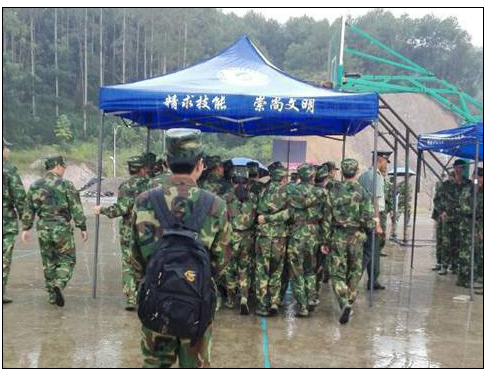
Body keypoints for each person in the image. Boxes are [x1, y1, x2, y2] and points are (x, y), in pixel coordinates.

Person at [131, 129, 231, 368]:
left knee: (155, 365)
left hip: (156, 301)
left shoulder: (144, 200)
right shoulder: (215, 205)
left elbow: (135, 257)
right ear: (200, 164)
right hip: (197, 305)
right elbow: (221, 261)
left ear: (166, 162)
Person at [21, 156, 88, 307]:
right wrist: (82, 227)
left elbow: (28, 208)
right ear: (57, 166)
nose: (64, 170)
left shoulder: (35, 185)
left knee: (48, 262)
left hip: (43, 227)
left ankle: (52, 296)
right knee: (68, 259)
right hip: (61, 227)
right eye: (63, 167)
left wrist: (26, 228)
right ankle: (59, 283)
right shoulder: (66, 185)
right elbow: (76, 208)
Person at [92, 155, 149, 310]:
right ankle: (148, 297)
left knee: (129, 264)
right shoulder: (152, 185)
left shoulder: (126, 186)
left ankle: (131, 298)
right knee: (148, 263)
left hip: (129, 231)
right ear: (143, 169)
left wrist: (101, 209)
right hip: (149, 231)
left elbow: (121, 209)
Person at [324, 158, 375, 324]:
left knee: (336, 273)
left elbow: (326, 218)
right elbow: (368, 219)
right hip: (356, 237)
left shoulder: (334, 191)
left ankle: (344, 302)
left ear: (342, 173)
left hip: (338, 236)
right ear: (357, 171)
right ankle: (350, 300)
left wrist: (326, 240)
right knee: (354, 271)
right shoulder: (363, 192)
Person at [287, 163, 330, 316]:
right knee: (310, 270)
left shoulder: (292, 191)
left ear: (299, 176)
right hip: (314, 235)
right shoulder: (322, 193)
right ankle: (311, 298)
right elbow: (326, 218)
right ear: (312, 176)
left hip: (297, 234)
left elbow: (288, 214)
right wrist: (325, 240)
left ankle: (302, 306)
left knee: (296, 271)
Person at [255, 163, 290, 316]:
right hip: (279, 237)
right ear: (283, 177)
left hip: (263, 236)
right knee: (277, 271)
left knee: (262, 271)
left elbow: (258, 212)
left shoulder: (263, 190)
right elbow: (290, 214)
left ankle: (262, 306)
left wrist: (267, 218)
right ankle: (274, 302)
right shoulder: (288, 192)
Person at [223, 166, 258, 314]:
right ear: (247, 182)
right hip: (248, 238)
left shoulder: (226, 198)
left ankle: (231, 300)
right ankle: (244, 297)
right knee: (244, 269)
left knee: (230, 269)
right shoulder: (254, 198)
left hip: (231, 238)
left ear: (233, 182)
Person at [358, 151, 391, 290]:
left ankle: (373, 279)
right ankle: (361, 277)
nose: (385, 165)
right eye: (384, 161)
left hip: (364, 215)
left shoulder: (363, 176)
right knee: (372, 250)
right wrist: (377, 222)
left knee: (371, 248)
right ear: (379, 160)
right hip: (374, 215)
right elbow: (376, 201)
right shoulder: (376, 177)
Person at [437, 159, 472, 275]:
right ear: (454, 167)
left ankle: (455, 266)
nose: (459, 170)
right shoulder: (446, 184)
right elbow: (437, 199)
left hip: (462, 218)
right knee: (446, 242)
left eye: (461, 167)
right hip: (448, 217)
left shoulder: (468, 184)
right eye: (457, 167)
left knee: (459, 242)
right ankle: (444, 265)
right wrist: (441, 211)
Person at [2, 138, 26, 303]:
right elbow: (19, 197)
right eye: (6, 148)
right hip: (5, 222)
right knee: (3, 258)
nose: (8, 151)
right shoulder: (8, 170)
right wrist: (26, 222)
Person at [458, 167, 483, 290]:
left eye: (481, 177)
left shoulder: (482, 191)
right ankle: (464, 278)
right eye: (478, 177)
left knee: (478, 252)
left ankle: (476, 277)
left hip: (479, 226)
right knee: (466, 253)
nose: (480, 180)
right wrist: (476, 212)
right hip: (468, 226)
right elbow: (464, 206)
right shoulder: (468, 190)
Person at [431, 171, 451, 271]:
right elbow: (437, 200)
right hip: (442, 218)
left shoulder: (461, 187)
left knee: (449, 242)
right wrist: (441, 212)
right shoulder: (442, 186)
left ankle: (449, 264)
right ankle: (440, 263)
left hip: (453, 220)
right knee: (440, 241)